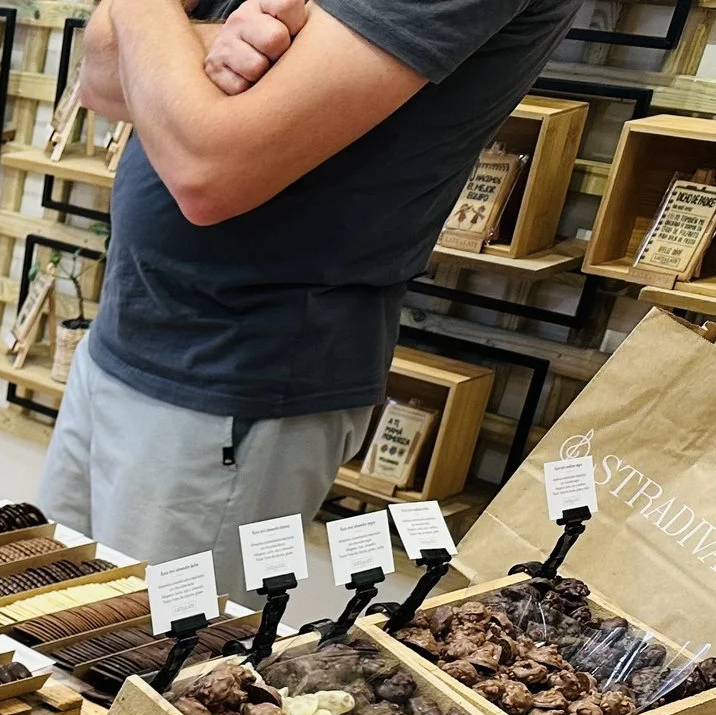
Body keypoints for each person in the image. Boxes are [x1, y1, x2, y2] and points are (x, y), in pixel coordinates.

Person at [39, 0, 586, 570]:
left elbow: (206, 169)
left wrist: (162, 32)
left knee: (155, 652)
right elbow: (100, 75)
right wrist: (222, 50)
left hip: (238, 374)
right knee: (36, 619)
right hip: (124, 336)